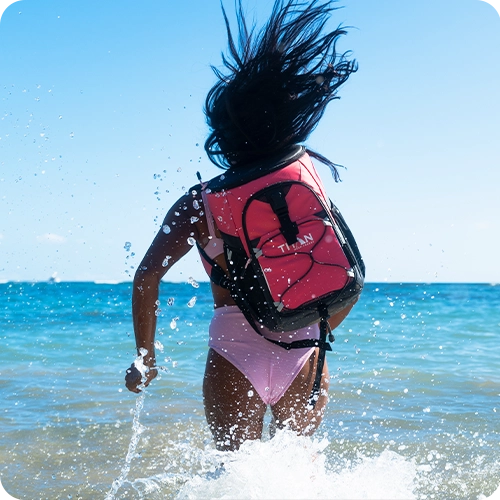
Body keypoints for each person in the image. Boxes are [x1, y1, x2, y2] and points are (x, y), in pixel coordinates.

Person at [125, 0, 358, 452]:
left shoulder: (198, 203)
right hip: (305, 349)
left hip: (234, 349)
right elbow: (340, 267)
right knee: (300, 476)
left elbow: (147, 276)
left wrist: (145, 357)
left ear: (222, 135)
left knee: (231, 477)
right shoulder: (302, 183)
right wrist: (310, 329)